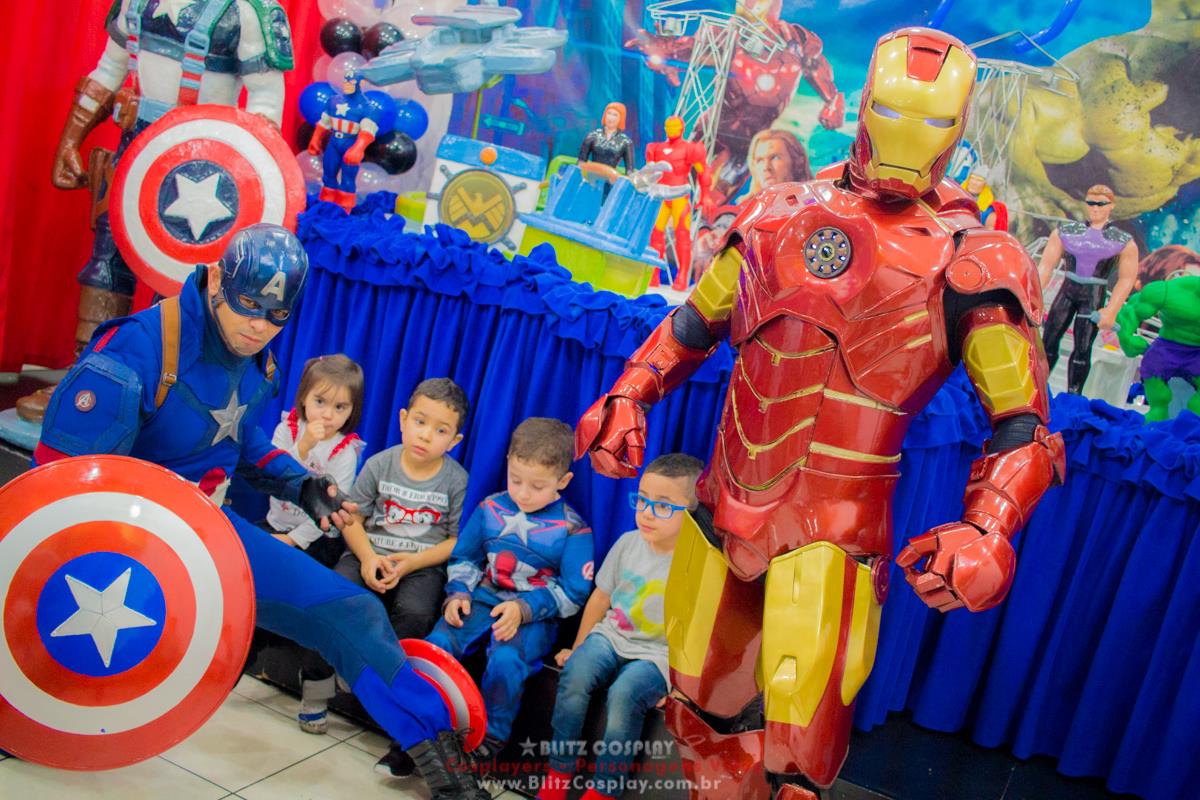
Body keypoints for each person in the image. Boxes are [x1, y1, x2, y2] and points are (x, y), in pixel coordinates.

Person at [577, 28, 1065, 799]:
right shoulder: (777, 210)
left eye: (933, 120)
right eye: (895, 110)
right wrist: (631, 390)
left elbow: (1023, 422)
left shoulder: (972, 255)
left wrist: (990, 525)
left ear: (960, 124)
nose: (910, 135)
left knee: (799, 744)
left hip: (833, 532)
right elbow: (694, 323)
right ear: (866, 105)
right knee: (697, 712)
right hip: (722, 504)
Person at [34, 223, 489, 799]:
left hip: (201, 533)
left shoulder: (255, 358)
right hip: (114, 543)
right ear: (220, 278)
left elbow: (243, 442)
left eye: (277, 315)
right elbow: (55, 492)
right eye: (250, 305)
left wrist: (302, 485)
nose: (259, 326)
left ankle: (443, 765)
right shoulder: (138, 348)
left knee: (350, 611)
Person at [18, 0, 294, 422]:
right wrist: (70, 140)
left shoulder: (247, 10)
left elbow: (266, 100)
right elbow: (109, 69)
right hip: (135, 154)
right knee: (107, 265)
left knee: (184, 278)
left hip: (205, 163)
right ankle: (85, 377)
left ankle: (170, 396)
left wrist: (240, 165)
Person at [304, 378, 470, 777]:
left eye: (440, 430)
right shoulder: (381, 463)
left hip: (420, 565)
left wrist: (410, 564)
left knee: (414, 614)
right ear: (403, 420)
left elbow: (454, 540)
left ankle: (370, 678)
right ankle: (315, 693)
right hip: (369, 551)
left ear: (455, 439)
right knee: (332, 599)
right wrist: (366, 558)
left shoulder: (455, 479)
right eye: (420, 422)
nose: (426, 435)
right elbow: (352, 519)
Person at [427, 417, 594, 763]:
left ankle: (489, 742)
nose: (522, 493)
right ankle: (422, 731)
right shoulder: (490, 508)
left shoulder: (574, 529)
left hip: (532, 618)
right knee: (438, 646)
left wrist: (525, 608)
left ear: (563, 481)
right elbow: (464, 558)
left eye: (537, 486)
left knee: (505, 662)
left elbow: (575, 592)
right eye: (516, 480)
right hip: (482, 599)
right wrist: (458, 593)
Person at [538, 454, 703, 800]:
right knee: (576, 676)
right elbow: (600, 599)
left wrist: (683, 686)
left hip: (658, 655)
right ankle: (559, 771)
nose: (645, 511)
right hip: (612, 637)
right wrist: (579, 645)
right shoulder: (628, 543)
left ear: (691, 512)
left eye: (662, 506)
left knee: (625, 694)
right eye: (642, 499)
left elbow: (700, 631)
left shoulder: (697, 565)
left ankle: (604, 789)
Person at [266, 353, 366, 565]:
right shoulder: (287, 430)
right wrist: (302, 447)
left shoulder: (345, 452)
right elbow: (270, 476)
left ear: (351, 411)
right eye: (320, 401)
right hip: (276, 524)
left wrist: (293, 539)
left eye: (340, 407)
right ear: (304, 396)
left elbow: (331, 510)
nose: (328, 414)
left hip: (317, 538)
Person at [1039, 184, 1139, 393]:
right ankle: (1037, 387)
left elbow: (1127, 279)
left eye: (1101, 204)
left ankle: (1073, 395)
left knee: (1083, 348)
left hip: (1094, 296)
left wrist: (1111, 310)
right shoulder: (1065, 232)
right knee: (1048, 341)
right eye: (1091, 203)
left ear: (1111, 206)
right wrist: (1034, 297)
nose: (1095, 208)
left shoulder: (1122, 241)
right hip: (1066, 291)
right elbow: (1045, 266)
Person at [307, 66, 380, 211]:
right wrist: (315, 139)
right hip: (334, 143)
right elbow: (324, 123)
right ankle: (326, 207)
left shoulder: (367, 107)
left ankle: (344, 210)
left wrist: (358, 149)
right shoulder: (333, 101)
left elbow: (368, 132)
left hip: (351, 143)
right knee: (328, 175)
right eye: (346, 81)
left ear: (361, 84)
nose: (347, 84)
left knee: (347, 180)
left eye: (351, 82)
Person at [746, 129, 812, 196]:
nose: (766, 167)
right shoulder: (747, 205)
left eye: (775, 158)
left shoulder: (817, 195)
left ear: (798, 162)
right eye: (759, 160)